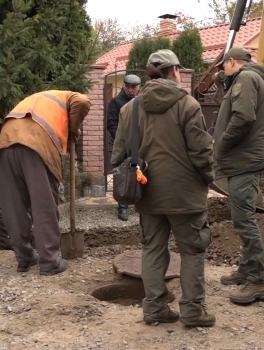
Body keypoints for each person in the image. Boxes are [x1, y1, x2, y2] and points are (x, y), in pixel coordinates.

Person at [110, 49, 215, 327]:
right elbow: (202, 153)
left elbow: (117, 156)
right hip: (186, 196)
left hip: (147, 194)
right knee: (192, 251)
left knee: (153, 250)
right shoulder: (188, 104)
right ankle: (192, 311)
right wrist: (208, 178)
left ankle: (154, 308)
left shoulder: (129, 108)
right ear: (175, 71)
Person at [0, 90, 90, 276]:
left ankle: (24, 258)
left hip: (5, 143)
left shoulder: (37, 99)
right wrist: (74, 128)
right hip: (35, 142)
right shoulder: (68, 96)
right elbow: (83, 100)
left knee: (14, 206)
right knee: (43, 204)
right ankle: (49, 261)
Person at [212, 47, 264, 304]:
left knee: (245, 221)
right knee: (241, 218)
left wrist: (222, 144)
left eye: (223, 67)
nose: (222, 72)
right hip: (243, 161)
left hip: (243, 161)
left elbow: (243, 117)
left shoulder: (246, 78)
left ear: (232, 62)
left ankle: (258, 281)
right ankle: (247, 269)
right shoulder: (246, 80)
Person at [107, 74, 142, 221]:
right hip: (123, 144)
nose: (130, 90)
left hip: (140, 145)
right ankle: (123, 208)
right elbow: (112, 124)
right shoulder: (116, 102)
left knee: (142, 174)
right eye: (127, 86)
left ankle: (142, 205)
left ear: (139, 87)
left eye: (133, 87)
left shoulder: (143, 102)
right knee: (123, 176)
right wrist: (123, 139)